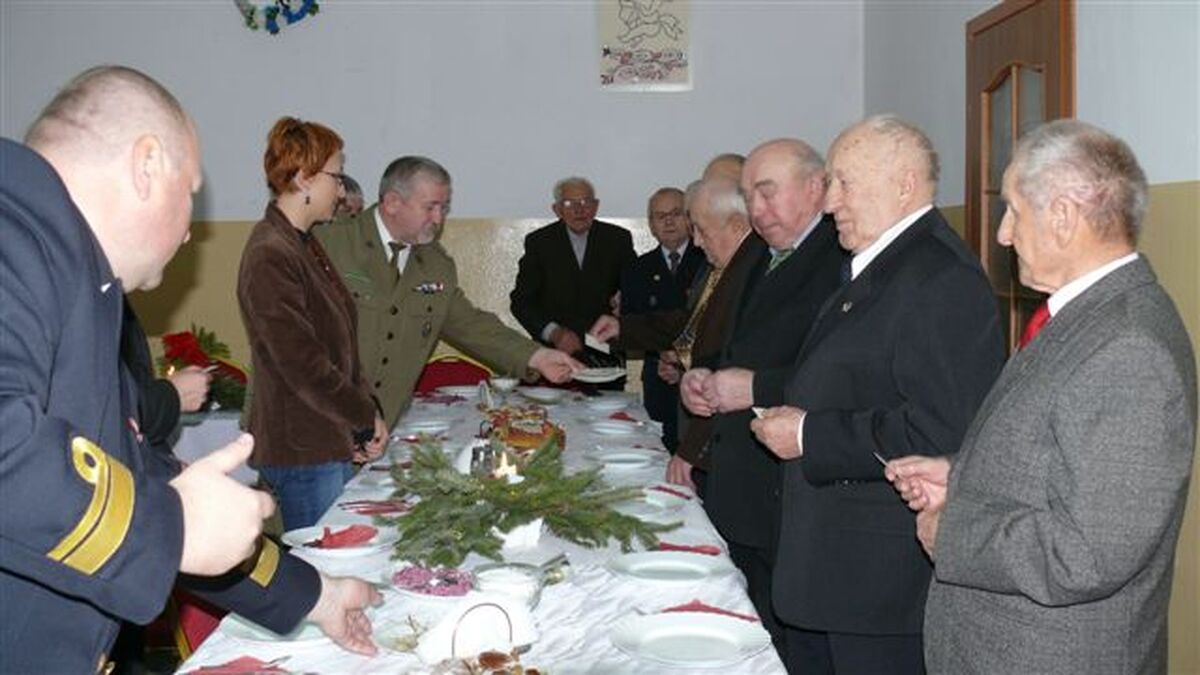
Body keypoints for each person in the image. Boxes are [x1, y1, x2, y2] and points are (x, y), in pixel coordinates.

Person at [0, 66, 377, 673]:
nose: (188, 233)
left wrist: (315, 596)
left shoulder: (81, 282)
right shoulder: (13, 229)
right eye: (191, 193)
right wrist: (172, 527)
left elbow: (140, 478)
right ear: (147, 164)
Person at [888, 120, 1196, 674]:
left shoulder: (1128, 348)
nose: (1004, 234)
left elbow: (1087, 553)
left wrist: (954, 530)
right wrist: (961, 476)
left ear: (1063, 215)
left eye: (1012, 210)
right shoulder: (1084, 317)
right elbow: (1057, 457)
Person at [749, 115, 1004, 674]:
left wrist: (808, 434)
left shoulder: (940, 277)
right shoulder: (883, 264)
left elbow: (943, 431)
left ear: (904, 184)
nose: (830, 202)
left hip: (878, 586)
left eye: (845, 183)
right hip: (835, 571)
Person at [679, 138, 847, 650]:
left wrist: (755, 386)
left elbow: (843, 370)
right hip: (739, 483)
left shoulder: (840, 256)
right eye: (750, 195)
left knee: (787, 645)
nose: (756, 209)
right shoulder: (760, 251)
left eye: (768, 193)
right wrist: (701, 377)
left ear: (815, 188)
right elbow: (734, 344)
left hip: (789, 490)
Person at [317, 156, 580, 424]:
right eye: (430, 207)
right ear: (393, 202)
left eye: (444, 208)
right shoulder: (329, 244)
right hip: (321, 418)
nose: (439, 218)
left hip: (383, 421)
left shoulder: (435, 265)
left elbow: (470, 324)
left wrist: (537, 356)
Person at [238, 117, 387, 531]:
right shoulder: (271, 253)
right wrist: (361, 415)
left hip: (325, 440)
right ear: (304, 178)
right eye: (335, 177)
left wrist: (364, 414)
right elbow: (301, 363)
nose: (340, 191)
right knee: (322, 563)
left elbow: (339, 347)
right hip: (302, 449)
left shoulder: (302, 243)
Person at [591, 177, 760, 495]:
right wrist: (624, 328)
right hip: (703, 419)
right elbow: (689, 321)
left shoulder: (752, 270)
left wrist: (691, 449)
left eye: (702, 231)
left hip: (732, 426)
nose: (697, 242)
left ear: (737, 225)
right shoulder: (724, 266)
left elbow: (726, 356)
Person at [509, 176, 637, 374]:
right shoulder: (539, 243)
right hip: (554, 356)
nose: (579, 210)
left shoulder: (618, 239)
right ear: (557, 209)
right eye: (569, 203)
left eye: (586, 202)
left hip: (605, 356)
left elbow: (637, 289)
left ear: (596, 206)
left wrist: (626, 300)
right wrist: (554, 333)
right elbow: (522, 302)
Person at [618, 187, 706, 450]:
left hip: (701, 375)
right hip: (658, 374)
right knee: (659, 448)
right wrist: (662, 355)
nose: (668, 221)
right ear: (651, 225)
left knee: (696, 450)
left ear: (689, 218)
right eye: (660, 216)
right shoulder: (637, 268)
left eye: (676, 213)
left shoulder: (708, 260)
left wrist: (681, 361)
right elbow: (632, 324)